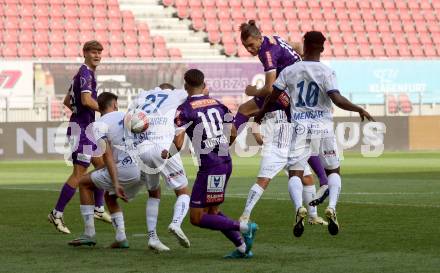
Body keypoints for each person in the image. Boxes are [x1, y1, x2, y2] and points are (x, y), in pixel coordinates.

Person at [256, 31, 375, 236]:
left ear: (304, 45)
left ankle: (298, 209)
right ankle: (332, 208)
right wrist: (359, 109)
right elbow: (337, 99)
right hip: (324, 128)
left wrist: (260, 114)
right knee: (333, 171)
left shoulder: (290, 71)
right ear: (322, 47)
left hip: (300, 127)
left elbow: (273, 95)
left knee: (295, 173)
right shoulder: (327, 72)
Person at [162, 69, 258, 258]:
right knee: (213, 210)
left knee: (196, 218)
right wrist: (221, 148)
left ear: (186, 85)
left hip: (210, 168)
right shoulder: (218, 104)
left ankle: (246, 227)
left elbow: (179, 143)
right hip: (225, 163)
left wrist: (168, 152)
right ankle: (242, 248)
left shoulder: (184, 109)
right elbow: (232, 133)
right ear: (203, 84)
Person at [48, 40, 110, 234]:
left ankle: (99, 208)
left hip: (85, 129)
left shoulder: (83, 74)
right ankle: (56, 213)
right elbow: (85, 99)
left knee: (102, 167)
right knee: (79, 174)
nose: (97, 55)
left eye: (100, 52)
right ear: (85, 53)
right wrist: (105, 110)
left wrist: (80, 113)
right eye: (93, 52)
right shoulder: (85, 73)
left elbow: (68, 100)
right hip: (81, 131)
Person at [68, 92, 141, 248]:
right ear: (114, 104)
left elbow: (107, 156)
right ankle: (121, 238)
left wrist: (115, 183)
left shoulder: (97, 125)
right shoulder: (128, 115)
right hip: (143, 170)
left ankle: (89, 234)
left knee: (83, 183)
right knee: (110, 196)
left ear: (98, 107)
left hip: (125, 169)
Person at [130, 83, 191, 252]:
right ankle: (176, 223)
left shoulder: (142, 94)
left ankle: (152, 238)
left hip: (142, 149)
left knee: (154, 192)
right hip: (164, 147)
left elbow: (129, 118)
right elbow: (199, 91)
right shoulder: (176, 94)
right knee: (183, 192)